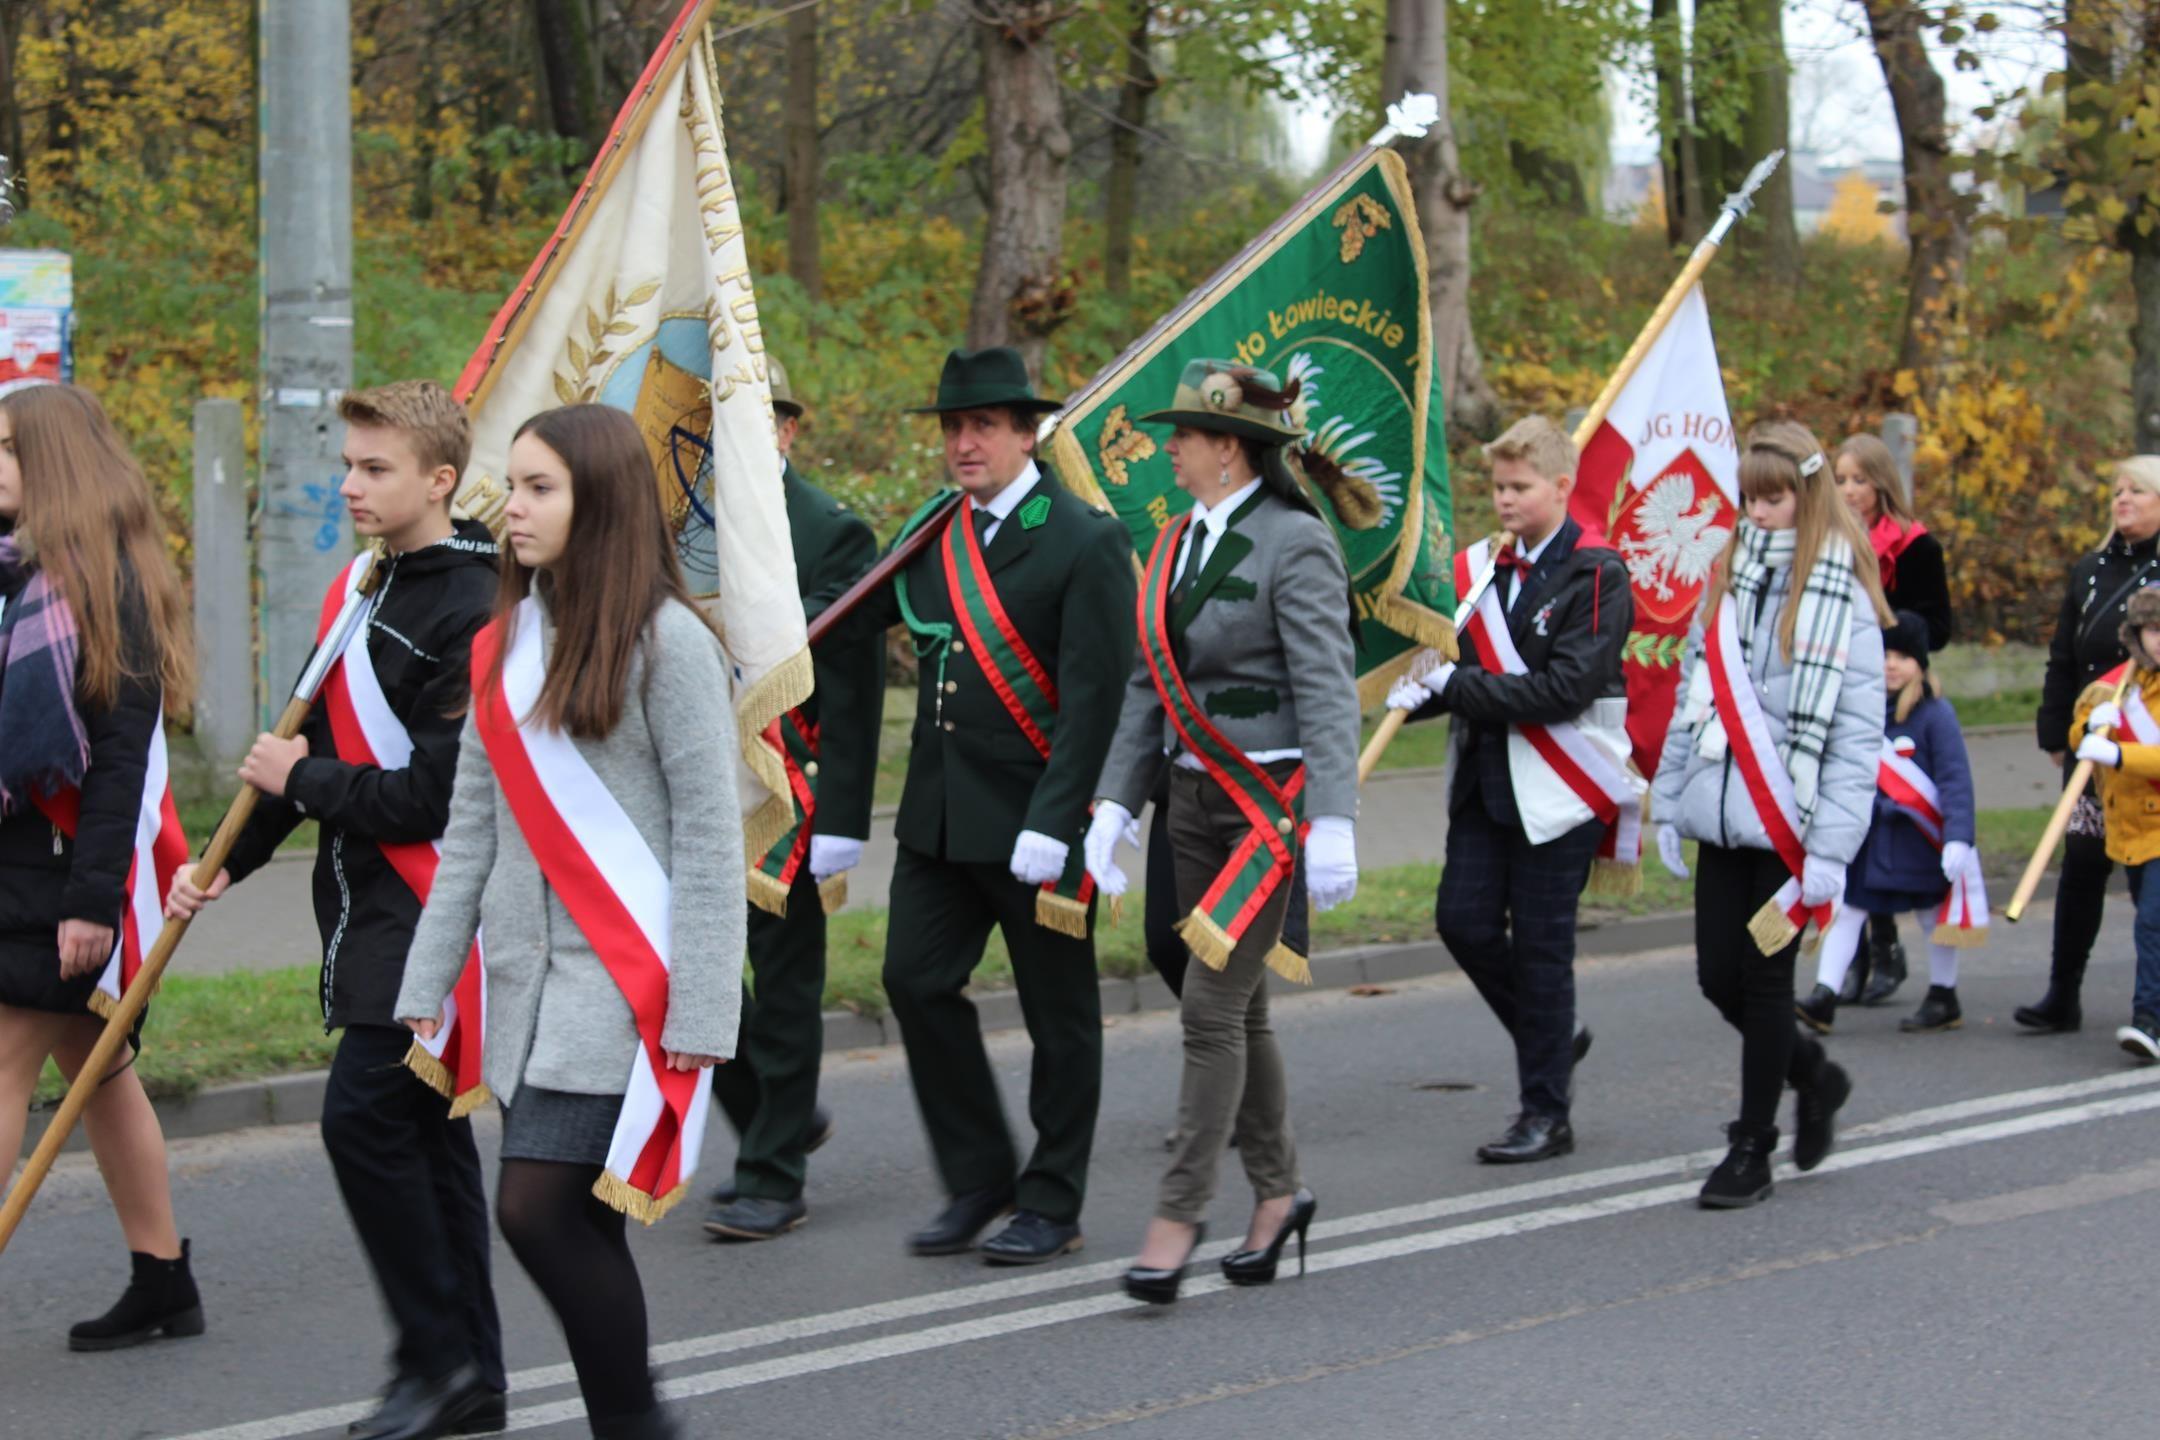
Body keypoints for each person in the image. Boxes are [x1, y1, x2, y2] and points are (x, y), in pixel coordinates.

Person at [395, 404, 744, 1440]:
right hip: (525, 989)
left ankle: (639, 1425)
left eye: (540, 487)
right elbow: (471, 832)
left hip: (625, 989)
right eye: (513, 486)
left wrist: (704, 1010)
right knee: (577, 1221)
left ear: (602, 501)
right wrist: (425, 985)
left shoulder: (670, 644)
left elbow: (710, 843)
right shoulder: (502, 644)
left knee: (538, 1210)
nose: (514, 508)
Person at [165, 382, 505, 1436]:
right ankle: (470, 1380)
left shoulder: (476, 608)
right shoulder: (363, 588)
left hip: (434, 908)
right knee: (426, 1136)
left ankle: (431, 1359)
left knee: (365, 1121)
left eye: (375, 468)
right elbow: (308, 740)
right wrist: (235, 855)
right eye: (350, 465)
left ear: (439, 481)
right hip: (362, 907)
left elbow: (433, 796)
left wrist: (301, 786)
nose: (350, 485)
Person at [809, 347, 1135, 1266]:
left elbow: (1096, 697)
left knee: (1057, 1017)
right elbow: (854, 618)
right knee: (912, 982)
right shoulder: (932, 532)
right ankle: (980, 1175)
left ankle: (1052, 1198)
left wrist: (1058, 816)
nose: (964, 442)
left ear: (1027, 434)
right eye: (954, 427)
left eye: (983, 425)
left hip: (1038, 822)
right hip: (940, 820)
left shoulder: (1083, 537)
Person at [1083, 358, 1361, 1305]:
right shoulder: (1169, 545)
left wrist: (1334, 819)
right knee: (1234, 1006)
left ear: (1230, 449)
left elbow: (1327, 685)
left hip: (1265, 814)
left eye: (1186, 435)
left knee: (1207, 1012)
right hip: (1188, 800)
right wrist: (1116, 802)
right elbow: (1144, 685)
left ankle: (1178, 1212)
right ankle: (1280, 1195)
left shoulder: (1297, 542)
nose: (1170, 447)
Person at [0, 383, 200, 1351]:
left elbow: (121, 763)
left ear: (52, 465)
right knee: (102, 1070)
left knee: (3, 1067)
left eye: (3, 447)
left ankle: (164, 1279)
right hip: (15, 864)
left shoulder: (103, 583)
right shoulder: (13, 570)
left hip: (61, 872)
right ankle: (164, 1279)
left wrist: (92, 904)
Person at [1651, 419, 1889, 1209]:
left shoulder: (1839, 591)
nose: (1757, 513)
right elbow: (1694, 693)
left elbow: (1858, 739)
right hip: (1721, 815)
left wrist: (1830, 850)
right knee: (1716, 978)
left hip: (1791, 827)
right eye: (1749, 499)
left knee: (1761, 984)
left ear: (1807, 496)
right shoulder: (1726, 577)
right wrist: (1667, 799)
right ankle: (1814, 1073)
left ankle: (1753, 1146)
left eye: (1774, 499)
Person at [1387, 415, 1635, 1164]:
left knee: (1541, 951)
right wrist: (1420, 687)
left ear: (1562, 487)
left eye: (1521, 488)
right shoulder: (1480, 572)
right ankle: (1551, 1034)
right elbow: (1457, 666)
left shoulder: (1598, 573)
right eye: (1497, 487)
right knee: (1461, 922)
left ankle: (1545, 1114)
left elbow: (1564, 689)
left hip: (1558, 789)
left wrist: (1458, 685)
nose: (1505, 501)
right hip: (1486, 785)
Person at [705, 359, 880, 1241]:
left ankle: (772, 1174)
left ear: (786, 429)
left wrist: (846, 820)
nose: (735, 438)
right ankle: (785, 1109)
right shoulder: (687, 525)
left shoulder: (832, 533)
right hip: (702, 785)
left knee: (783, 989)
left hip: (791, 788)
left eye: (752, 420)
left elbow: (849, 691)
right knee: (685, 975)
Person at [1796, 609, 1982, 1037]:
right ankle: (1824, 995)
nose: (1892, 664)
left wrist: (1958, 838)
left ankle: (1943, 994)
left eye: (1902, 655)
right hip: (1869, 839)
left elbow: (1956, 781)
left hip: (1918, 839)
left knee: (1934, 916)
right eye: (1884, 653)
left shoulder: (1937, 715)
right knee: (1849, 912)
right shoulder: (1859, 711)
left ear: (1920, 663)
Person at [2024, 457, 2160, 1035]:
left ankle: (2150, 1004)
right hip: (2091, 738)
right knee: (2081, 864)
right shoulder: (2090, 570)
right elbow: (2064, 655)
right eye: (2116, 490)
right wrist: (2056, 732)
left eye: (2136, 490)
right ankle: (2063, 993)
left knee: (2146, 876)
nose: (2121, 499)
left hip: (2148, 741)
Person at [1834, 433, 1954, 1007]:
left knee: (1885, 819)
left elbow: (1938, 626)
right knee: (1846, 819)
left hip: (1892, 693)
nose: (1849, 491)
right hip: (1836, 688)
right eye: (1840, 480)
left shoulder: (1914, 547)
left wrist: (1888, 629)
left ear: (1882, 484)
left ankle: (1887, 948)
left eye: (1859, 480)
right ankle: (1853, 953)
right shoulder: (1826, 541)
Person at [2066, 584, 2160, 1060]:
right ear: (2137, 634)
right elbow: (2080, 728)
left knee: (2153, 925)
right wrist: (2089, 725)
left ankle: (2151, 1020)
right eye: (2153, 628)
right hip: (2135, 833)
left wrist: (2120, 752)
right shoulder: (2120, 685)